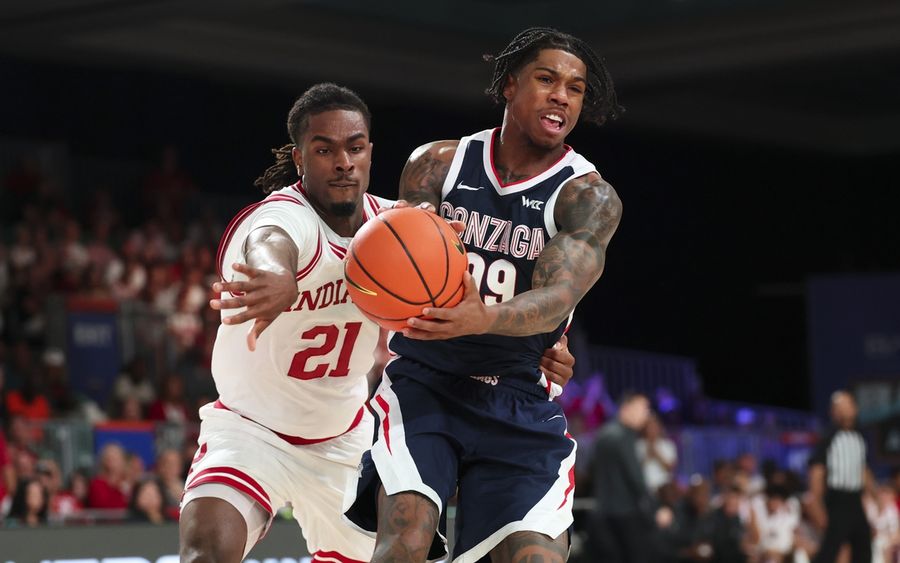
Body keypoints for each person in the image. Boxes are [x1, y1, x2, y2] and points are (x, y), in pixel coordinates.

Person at [178, 83, 575, 563]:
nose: (343, 161)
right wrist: (278, 277)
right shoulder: (284, 216)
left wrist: (543, 346)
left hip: (343, 439)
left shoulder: (398, 227)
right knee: (207, 550)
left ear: (370, 152)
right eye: (324, 150)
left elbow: (484, 291)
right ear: (300, 160)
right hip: (250, 432)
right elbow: (269, 241)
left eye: (355, 147)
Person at [345, 27, 623, 563]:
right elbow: (400, 260)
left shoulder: (588, 196)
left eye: (576, 87)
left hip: (519, 393)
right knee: (406, 534)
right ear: (510, 85)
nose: (562, 95)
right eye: (547, 79)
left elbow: (560, 294)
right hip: (427, 380)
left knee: (534, 557)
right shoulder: (438, 164)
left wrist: (482, 318)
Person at [588, 392, 654, 562]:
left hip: (602, 512)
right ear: (626, 409)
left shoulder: (603, 433)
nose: (646, 414)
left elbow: (591, 469)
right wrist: (655, 508)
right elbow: (635, 477)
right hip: (626, 514)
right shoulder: (624, 437)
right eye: (643, 408)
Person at [808, 391, 873, 563]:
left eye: (847, 405)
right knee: (830, 548)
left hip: (855, 499)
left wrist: (875, 494)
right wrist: (816, 503)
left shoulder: (859, 436)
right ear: (833, 412)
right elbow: (817, 471)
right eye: (839, 407)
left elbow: (863, 469)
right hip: (836, 500)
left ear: (855, 408)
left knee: (863, 545)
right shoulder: (828, 437)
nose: (844, 410)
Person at [637, 412, 677, 496]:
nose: (652, 430)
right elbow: (634, 469)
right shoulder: (638, 446)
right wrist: (647, 457)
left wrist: (657, 455)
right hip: (644, 488)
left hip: (664, 490)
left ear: (659, 427)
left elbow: (671, 468)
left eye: (654, 426)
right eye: (649, 427)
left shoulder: (668, 445)